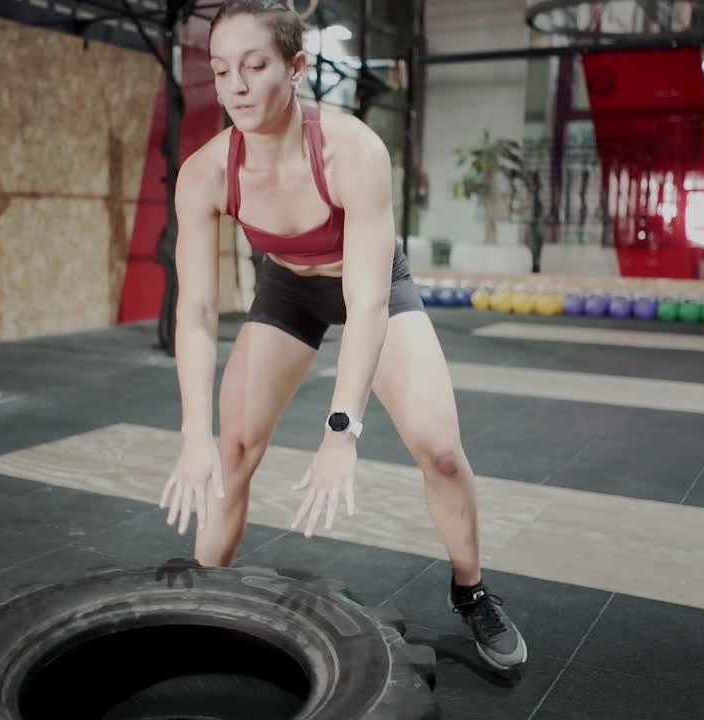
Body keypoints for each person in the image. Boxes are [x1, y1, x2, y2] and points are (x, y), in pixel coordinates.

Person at [157, 0, 527, 672]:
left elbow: (366, 302)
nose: (235, 86)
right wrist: (192, 433)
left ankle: (472, 593)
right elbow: (198, 312)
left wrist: (340, 431)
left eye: (255, 65)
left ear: (295, 67)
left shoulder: (353, 149)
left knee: (441, 450)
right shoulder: (207, 173)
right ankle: (201, 603)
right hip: (288, 291)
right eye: (220, 70)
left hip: (374, 287)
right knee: (231, 449)